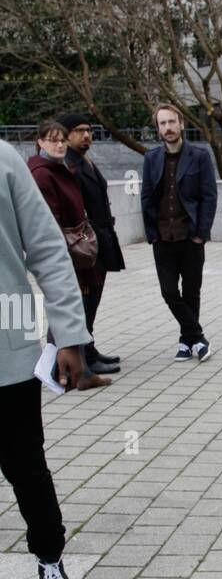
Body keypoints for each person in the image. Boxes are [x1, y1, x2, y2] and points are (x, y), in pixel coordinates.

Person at [0, 138, 91, 579]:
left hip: (6, 354)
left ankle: (50, 560)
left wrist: (70, 335)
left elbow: (48, 249)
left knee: (27, 469)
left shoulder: (4, 159)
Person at [27, 120, 112, 391]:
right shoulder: (43, 173)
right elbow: (48, 219)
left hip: (74, 246)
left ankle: (76, 369)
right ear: (40, 142)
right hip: (64, 250)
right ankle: (61, 372)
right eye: (53, 139)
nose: (60, 144)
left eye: (63, 139)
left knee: (74, 308)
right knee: (65, 308)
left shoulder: (59, 168)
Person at [140, 103, 218, 362]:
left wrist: (201, 233)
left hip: (190, 236)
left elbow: (209, 197)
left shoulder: (200, 156)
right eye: (162, 124)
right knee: (169, 292)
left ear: (181, 124)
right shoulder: (151, 159)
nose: (168, 128)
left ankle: (186, 343)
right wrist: (151, 233)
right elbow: (146, 197)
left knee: (191, 292)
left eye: (172, 122)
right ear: (158, 128)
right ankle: (198, 337)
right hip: (162, 238)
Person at [56, 112, 124, 376]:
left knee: (93, 301)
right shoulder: (69, 165)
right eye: (79, 130)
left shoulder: (84, 160)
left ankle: (90, 349)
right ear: (67, 135)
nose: (86, 135)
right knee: (86, 302)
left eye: (89, 130)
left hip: (99, 241)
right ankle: (84, 356)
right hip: (85, 245)